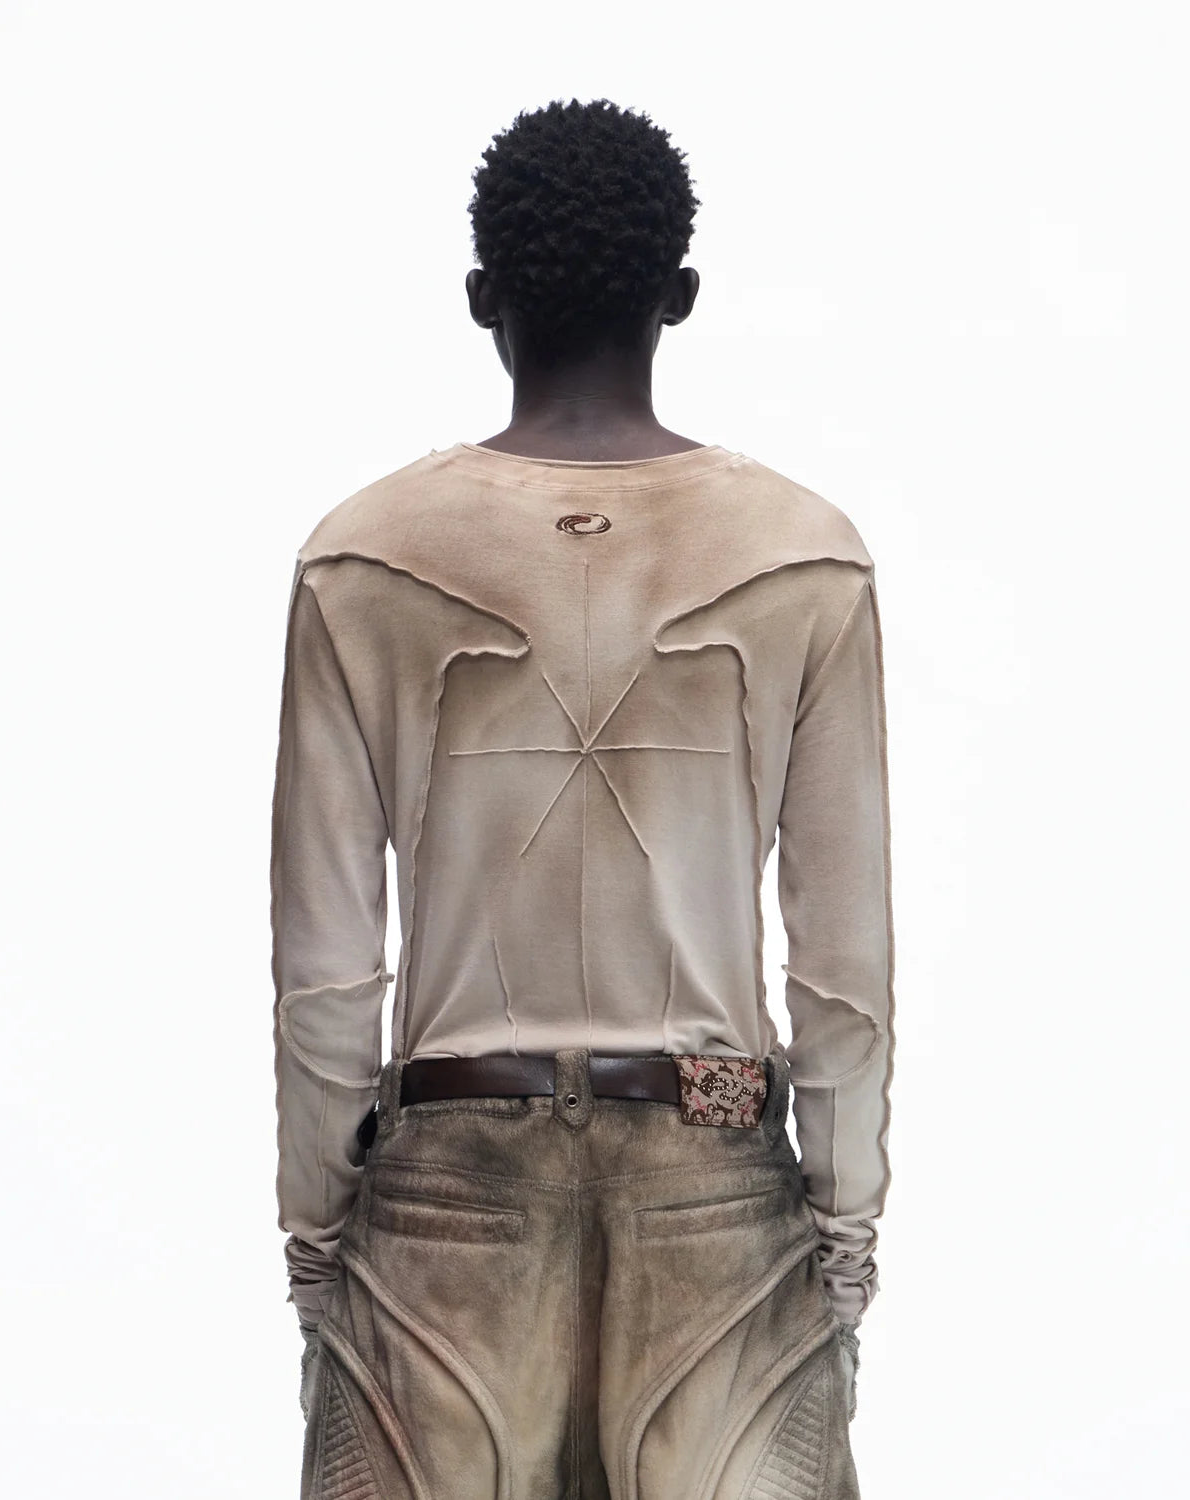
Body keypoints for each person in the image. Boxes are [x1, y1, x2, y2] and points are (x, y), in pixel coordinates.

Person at [270, 96, 895, 1500]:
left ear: (480, 295)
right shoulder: (804, 555)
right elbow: (843, 970)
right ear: (680, 294)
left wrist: (319, 1249)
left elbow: (324, 970)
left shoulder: (363, 556)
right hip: (716, 1178)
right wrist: (843, 1244)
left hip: (443, 1195)